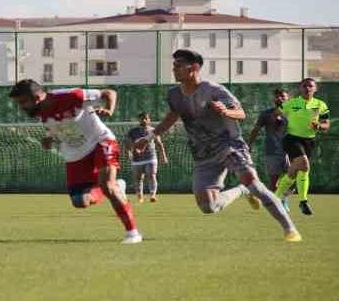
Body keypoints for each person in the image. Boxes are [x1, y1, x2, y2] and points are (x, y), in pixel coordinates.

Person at [135, 49, 301, 242]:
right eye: (174, 65)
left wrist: (225, 111)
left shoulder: (213, 90)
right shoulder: (174, 94)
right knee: (208, 206)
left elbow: (241, 113)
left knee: (252, 181)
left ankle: (290, 229)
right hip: (203, 154)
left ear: (194, 67)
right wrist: (150, 137)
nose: (174, 69)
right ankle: (241, 190)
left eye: (178, 65)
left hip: (229, 144)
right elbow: (172, 116)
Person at [9, 79, 142, 244]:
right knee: (80, 201)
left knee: (108, 186)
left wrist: (109, 109)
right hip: (75, 153)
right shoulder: (37, 112)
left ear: (37, 97)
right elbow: (54, 126)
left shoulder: (71, 95)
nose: (21, 107)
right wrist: (49, 138)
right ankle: (116, 186)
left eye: (22, 102)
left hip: (101, 140)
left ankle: (132, 233)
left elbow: (109, 93)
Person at [274, 78, 330, 215]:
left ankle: (276, 197)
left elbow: (326, 124)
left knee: (293, 172)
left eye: (310, 86)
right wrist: (279, 120)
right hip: (292, 139)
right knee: (304, 164)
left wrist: (320, 126)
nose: (307, 88)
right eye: (304, 86)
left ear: (315, 89)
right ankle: (303, 202)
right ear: (300, 88)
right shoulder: (291, 103)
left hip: (309, 141)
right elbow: (278, 114)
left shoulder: (320, 104)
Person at [247, 88, 290, 191]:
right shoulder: (266, 114)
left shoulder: (293, 113)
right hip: (272, 151)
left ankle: (283, 199)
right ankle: (274, 204)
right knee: (273, 181)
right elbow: (256, 129)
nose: (280, 98)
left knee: (292, 178)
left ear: (288, 99)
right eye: (277, 96)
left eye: (283, 96)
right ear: (273, 99)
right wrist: (249, 145)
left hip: (291, 151)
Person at [124, 111, 168, 203]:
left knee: (152, 175)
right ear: (139, 120)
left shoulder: (153, 131)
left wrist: (163, 156)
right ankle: (140, 196)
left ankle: (152, 195)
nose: (144, 120)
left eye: (146, 118)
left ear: (149, 119)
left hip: (151, 157)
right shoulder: (133, 131)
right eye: (142, 118)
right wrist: (129, 152)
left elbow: (159, 144)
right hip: (137, 159)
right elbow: (127, 143)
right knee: (138, 178)